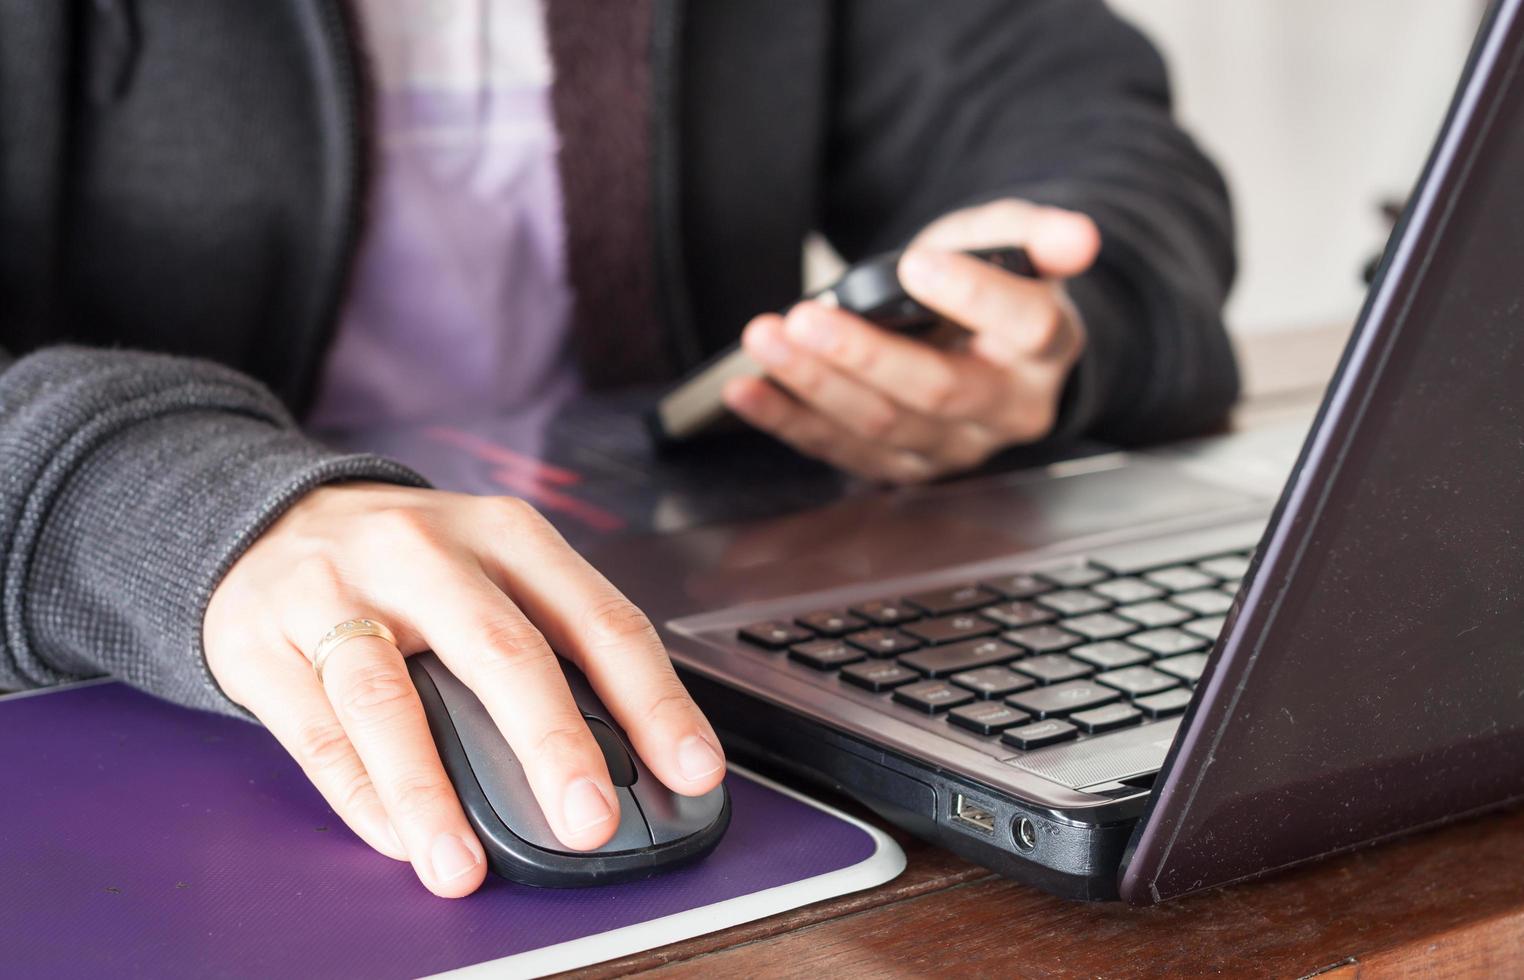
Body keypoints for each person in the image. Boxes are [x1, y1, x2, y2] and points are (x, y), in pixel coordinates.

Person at [0, 0, 1237, 898]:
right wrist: (172, 505)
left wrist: (1054, 327)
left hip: (715, 625)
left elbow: (1088, 128)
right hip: (154, 681)